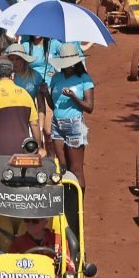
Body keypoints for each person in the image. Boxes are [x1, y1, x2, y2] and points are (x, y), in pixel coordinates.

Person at [0, 56, 44, 160]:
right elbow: (34, 124)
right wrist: (39, 147)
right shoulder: (24, 93)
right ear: (12, 75)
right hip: (23, 151)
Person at [46, 43, 95, 189]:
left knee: (76, 170)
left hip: (74, 124)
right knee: (62, 168)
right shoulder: (56, 78)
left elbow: (90, 107)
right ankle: (66, 203)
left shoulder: (84, 79)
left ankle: (79, 208)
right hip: (57, 124)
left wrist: (73, 96)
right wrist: (46, 93)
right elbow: (54, 105)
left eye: (70, 64)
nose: (68, 67)